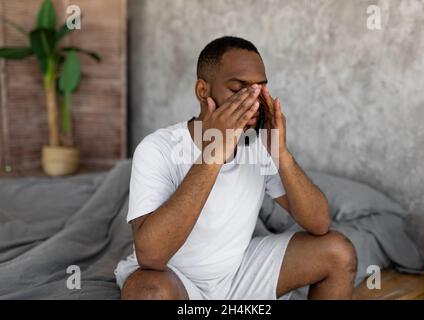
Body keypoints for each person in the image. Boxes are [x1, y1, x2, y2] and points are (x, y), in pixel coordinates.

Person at [115, 36, 357, 300]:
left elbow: (320, 223)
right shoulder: (158, 148)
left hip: (238, 275)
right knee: (147, 293)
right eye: (238, 89)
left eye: (259, 89)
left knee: (338, 252)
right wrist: (214, 155)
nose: (253, 101)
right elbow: (151, 256)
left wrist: (281, 154)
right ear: (202, 91)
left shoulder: (258, 148)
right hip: (176, 281)